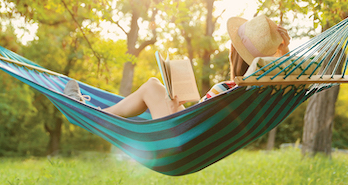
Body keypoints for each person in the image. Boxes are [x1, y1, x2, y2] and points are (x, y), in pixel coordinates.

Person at [64, 15, 290, 119]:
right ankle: (98, 113)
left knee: (153, 87)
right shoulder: (260, 90)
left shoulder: (226, 90)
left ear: (235, 53)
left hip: (180, 138)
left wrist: (173, 108)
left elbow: (190, 125)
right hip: (195, 137)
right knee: (153, 86)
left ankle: (94, 114)